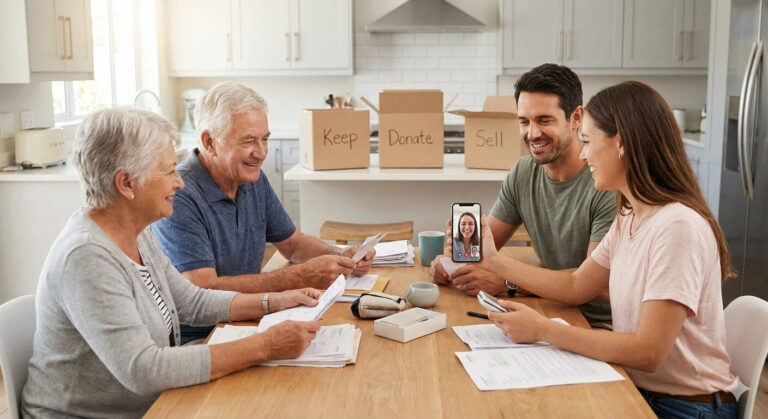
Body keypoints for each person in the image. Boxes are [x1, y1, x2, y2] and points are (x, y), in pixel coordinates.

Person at [21, 108, 324, 417]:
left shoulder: (135, 232)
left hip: (151, 404)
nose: (179, 182)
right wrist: (266, 346)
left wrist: (273, 301)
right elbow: (143, 369)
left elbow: (190, 301)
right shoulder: (86, 257)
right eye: (168, 172)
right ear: (127, 183)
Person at [484, 81, 738, 419]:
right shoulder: (630, 215)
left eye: (588, 141)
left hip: (685, 407)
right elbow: (577, 285)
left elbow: (649, 352)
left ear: (621, 144)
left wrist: (544, 330)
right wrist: (494, 260)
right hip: (641, 387)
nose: (584, 153)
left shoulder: (678, 227)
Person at [151, 82, 374, 343]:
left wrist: (339, 255)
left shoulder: (251, 179)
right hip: (203, 335)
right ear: (209, 141)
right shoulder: (180, 194)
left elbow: (291, 243)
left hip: (251, 318)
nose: (262, 152)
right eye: (248, 141)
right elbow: (203, 288)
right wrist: (297, 277)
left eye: (265, 139)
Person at [430, 63, 616, 327]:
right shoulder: (524, 172)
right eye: (524, 121)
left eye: (544, 120)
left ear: (576, 118)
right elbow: (483, 248)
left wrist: (509, 282)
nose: (532, 134)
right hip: (545, 311)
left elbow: (594, 284)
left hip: (594, 324)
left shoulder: (604, 183)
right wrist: (449, 262)